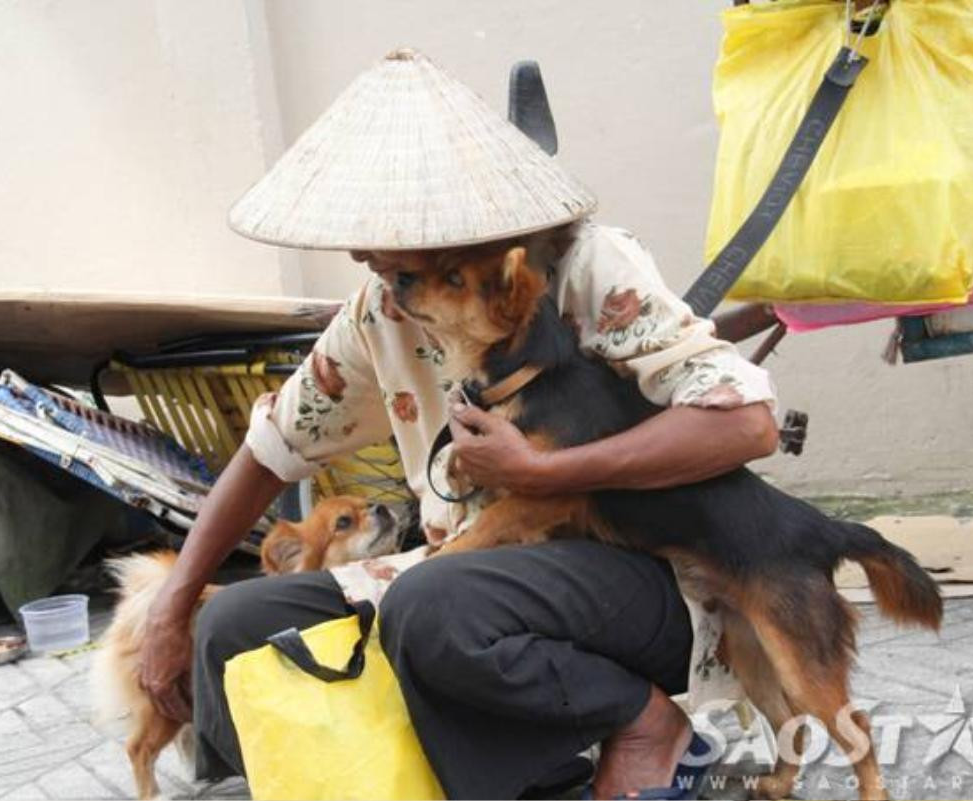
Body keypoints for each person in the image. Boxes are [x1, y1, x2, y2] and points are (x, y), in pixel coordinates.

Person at [138, 49, 778, 800]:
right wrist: (174, 604)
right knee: (237, 622)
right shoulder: (384, 304)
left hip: (644, 580)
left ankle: (643, 721)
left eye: (385, 236)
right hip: (469, 574)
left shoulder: (589, 267)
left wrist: (543, 473)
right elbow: (270, 449)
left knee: (434, 605)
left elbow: (747, 428)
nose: (362, 253)